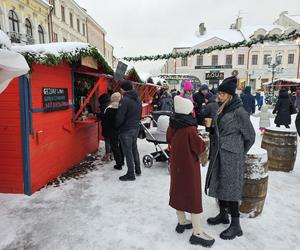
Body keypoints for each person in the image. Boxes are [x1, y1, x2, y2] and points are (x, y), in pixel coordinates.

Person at [205, 76, 255, 240]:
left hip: (232, 157)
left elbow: (250, 136)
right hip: (219, 154)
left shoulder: (239, 112)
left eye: (222, 94)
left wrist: (239, 151)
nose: (218, 96)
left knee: (232, 190)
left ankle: (236, 225)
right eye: (219, 93)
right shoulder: (223, 108)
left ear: (230, 96)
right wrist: (213, 130)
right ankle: (223, 214)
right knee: (220, 184)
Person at [167, 95, 215, 247]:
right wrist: (200, 138)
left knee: (178, 191)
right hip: (188, 167)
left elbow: (169, 139)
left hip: (176, 166)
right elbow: (199, 147)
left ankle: (181, 221)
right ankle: (197, 232)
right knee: (193, 196)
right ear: (188, 110)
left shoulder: (173, 124)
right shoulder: (189, 128)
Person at [116, 80, 142, 181]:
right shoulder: (138, 98)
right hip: (135, 127)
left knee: (128, 152)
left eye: (121, 89)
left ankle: (131, 174)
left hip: (126, 129)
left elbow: (120, 116)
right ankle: (138, 169)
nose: (120, 90)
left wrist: (117, 125)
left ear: (123, 89)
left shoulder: (125, 100)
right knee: (134, 148)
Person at [104, 92, 124, 170]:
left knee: (115, 147)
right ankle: (122, 161)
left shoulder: (109, 109)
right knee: (121, 146)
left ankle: (118, 164)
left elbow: (105, 120)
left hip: (112, 131)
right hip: (121, 130)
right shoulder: (121, 108)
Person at [98, 93, 112, 161]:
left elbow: (103, 116)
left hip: (107, 126)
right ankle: (111, 154)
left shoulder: (104, 106)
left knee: (107, 141)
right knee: (111, 140)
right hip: (112, 126)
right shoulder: (111, 104)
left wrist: (96, 114)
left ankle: (107, 155)